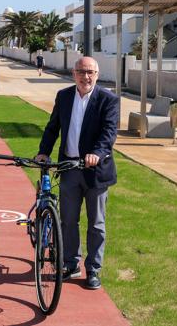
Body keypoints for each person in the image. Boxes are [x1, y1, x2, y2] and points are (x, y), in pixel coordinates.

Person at [35, 56, 119, 290]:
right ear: (74, 74)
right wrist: (44, 151)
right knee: (68, 220)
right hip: (69, 169)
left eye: (91, 72)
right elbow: (53, 127)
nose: (86, 77)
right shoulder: (64, 96)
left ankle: (93, 269)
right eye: (81, 72)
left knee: (96, 224)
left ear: (97, 74)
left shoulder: (108, 100)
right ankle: (71, 263)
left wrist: (97, 153)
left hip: (96, 172)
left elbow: (109, 133)